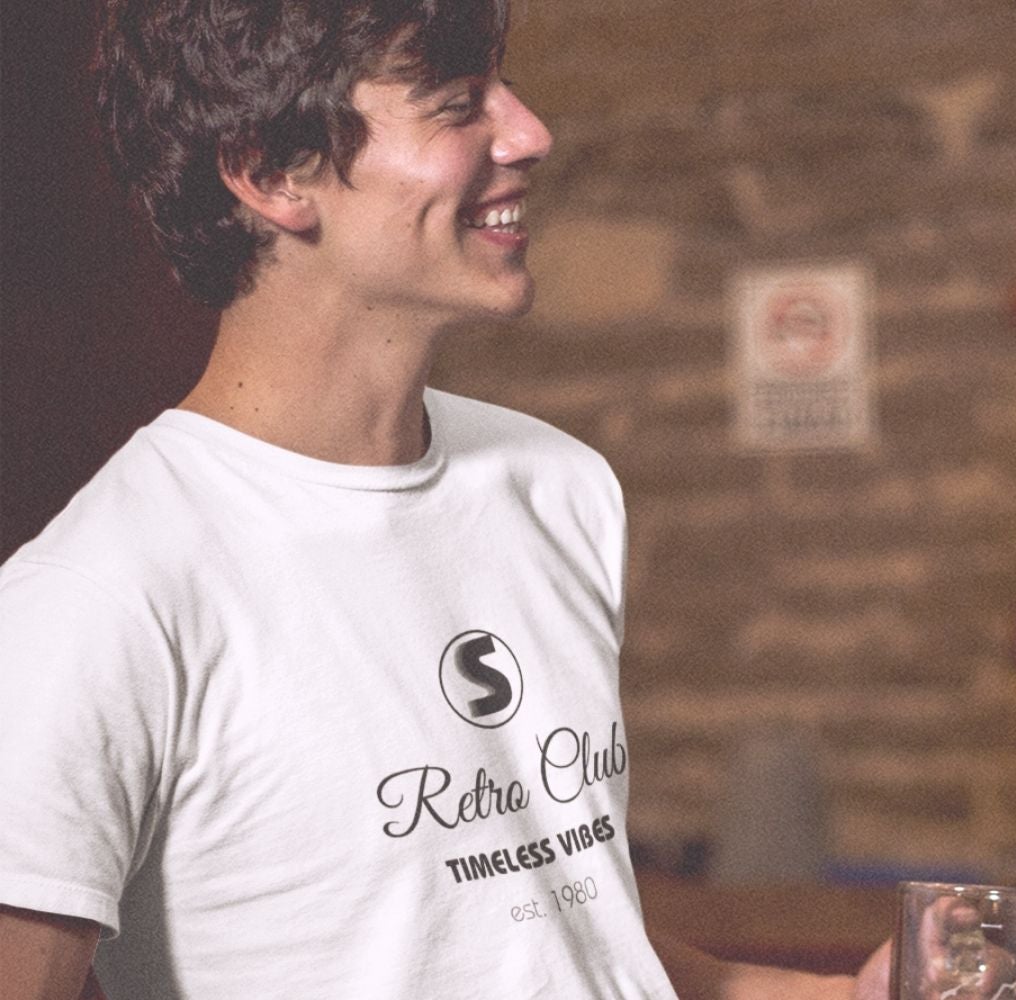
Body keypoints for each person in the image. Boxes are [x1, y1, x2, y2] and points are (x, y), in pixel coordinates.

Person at [0, 1, 887, 996]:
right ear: (273, 172)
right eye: (458, 103)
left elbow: (565, 940)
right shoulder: (95, 602)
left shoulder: (558, 486)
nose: (529, 133)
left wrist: (843, 995)